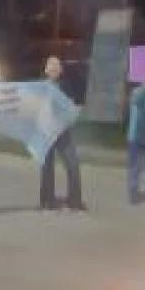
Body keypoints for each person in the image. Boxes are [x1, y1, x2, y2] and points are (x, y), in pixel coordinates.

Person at [40, 56, 86, 212]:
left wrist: (73, 111)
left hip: (63, 132)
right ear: (46, 70)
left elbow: (72, 105)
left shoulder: (66, 86)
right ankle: (47, 201)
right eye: (50, 66)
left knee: (73, 165)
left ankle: (75, 201)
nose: (53, 69)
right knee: (46, 167)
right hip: (46, 132)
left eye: (56, 67)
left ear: (60, 70)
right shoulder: (40, 87)